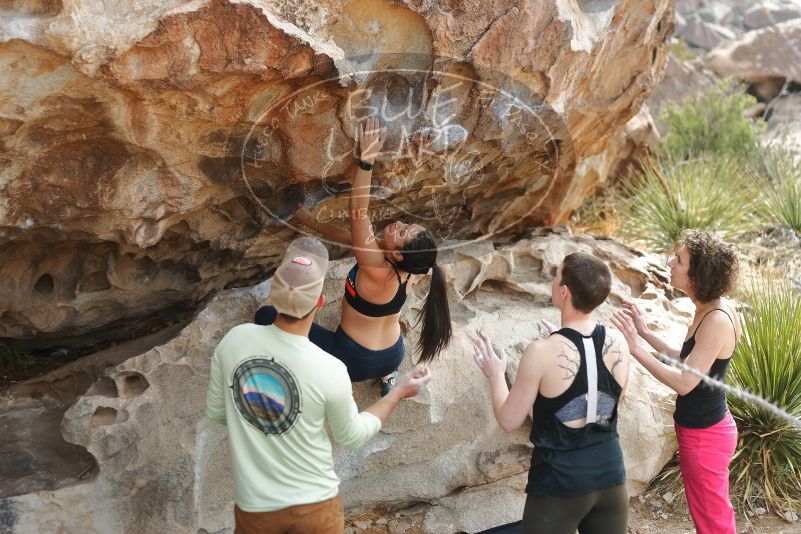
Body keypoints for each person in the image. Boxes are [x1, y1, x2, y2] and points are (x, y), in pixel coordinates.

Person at [206, 236, 432, 534]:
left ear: (273, 295)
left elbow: (220, 413)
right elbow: (350, 435)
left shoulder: (233, 340)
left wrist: (263, 416)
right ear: (321, 302)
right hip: (314, 506)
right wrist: (399, 391)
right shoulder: (330, 369)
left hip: (254, 506)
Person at [256, 116, 452, 396]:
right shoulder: (411, 267)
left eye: (403, 232)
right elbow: (353, 238)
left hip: (354, 361)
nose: (398, 225)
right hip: (392, 354)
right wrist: (309, 221)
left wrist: (367, 159)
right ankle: (388, 377)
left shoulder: (376, 267)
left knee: (266, 316)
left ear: (397, 255)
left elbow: (358, 213)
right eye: (407, 225)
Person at [474, 252, 631, 534]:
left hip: (560, 484)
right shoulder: (617, 341)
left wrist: (496, 375)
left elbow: (510, 420)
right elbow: (604, 404)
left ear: (564, 291)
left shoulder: (541, 351)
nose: (552, 280)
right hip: (611, 477)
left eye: (556, 275)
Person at [612, 229, 740, 534]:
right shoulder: (709, 309)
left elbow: (685, 381)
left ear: (697, 275)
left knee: (713, 522)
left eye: (679, 260)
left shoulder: (717, 319)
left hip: (706, 437)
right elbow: (689, 358)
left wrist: (635, 349)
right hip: (703, 431)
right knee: (709, 517)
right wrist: (645, 333)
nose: (669, 262)